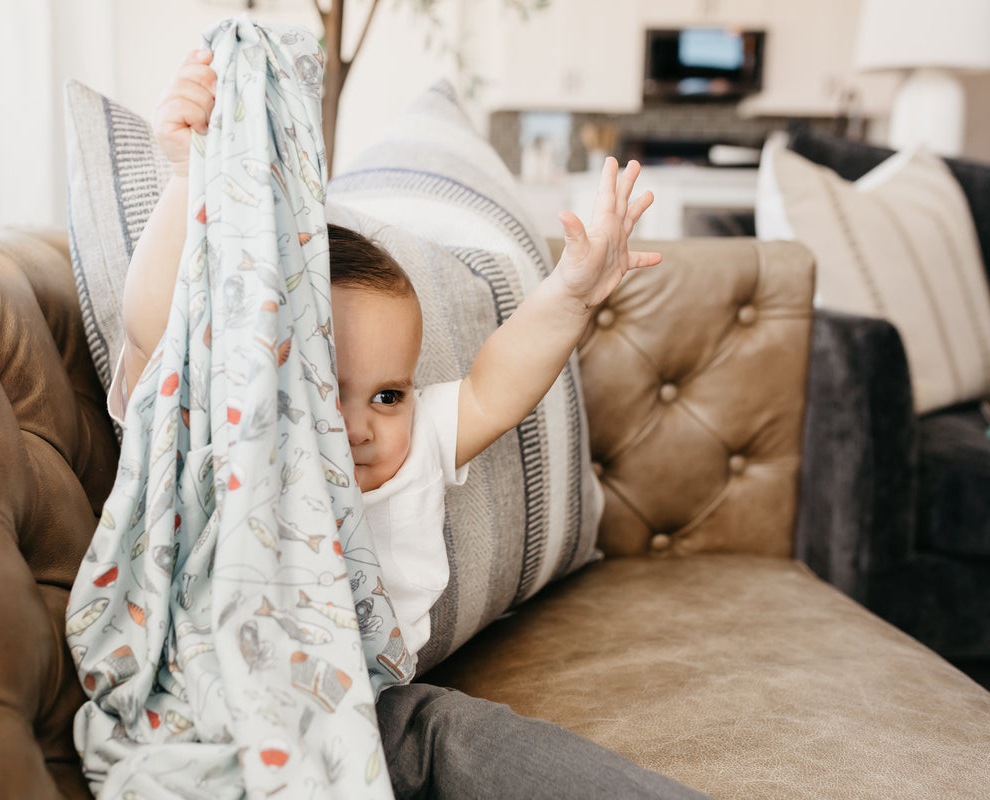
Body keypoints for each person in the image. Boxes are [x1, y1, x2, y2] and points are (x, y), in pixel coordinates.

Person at [111, 48, 713, 800]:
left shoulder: (416, 445)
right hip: (222, 704)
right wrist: (184, 178)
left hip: (369, 712)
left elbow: (497, 384)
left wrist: (572, 293)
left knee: (464, 736)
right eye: (327, 391)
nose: (360, 427)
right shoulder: (237, 438)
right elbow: (152, 329)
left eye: (387, 396)